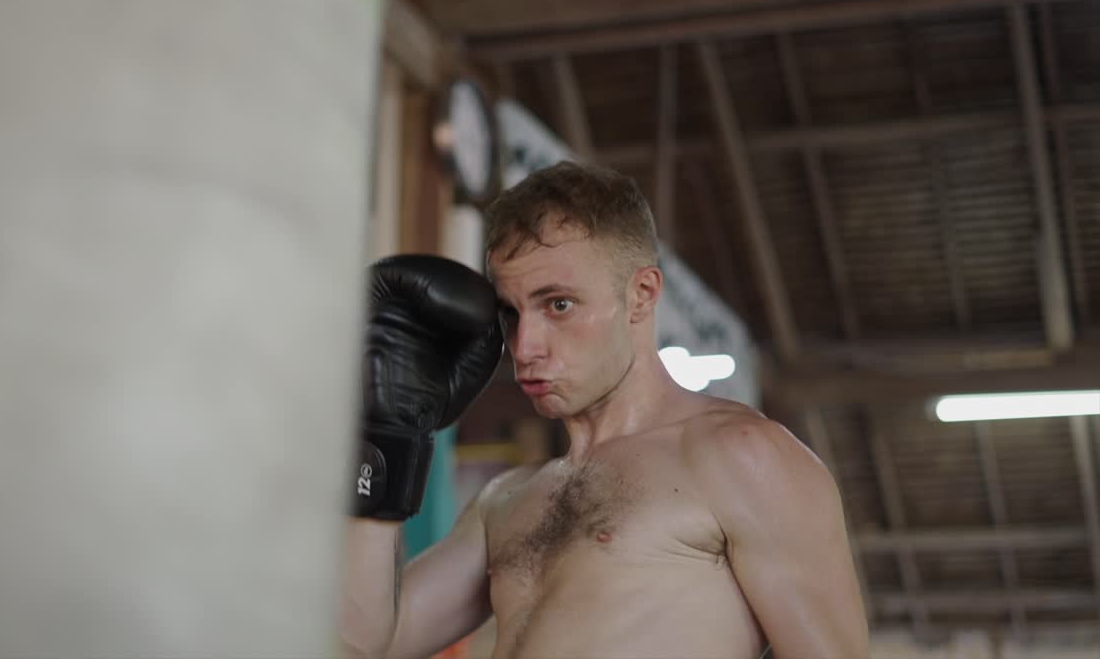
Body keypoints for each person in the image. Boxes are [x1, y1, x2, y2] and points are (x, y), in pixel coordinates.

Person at [342, 162, 868, 659]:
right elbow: (365, 646)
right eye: (510, 313)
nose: (524, 347)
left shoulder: (743, 456)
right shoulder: (505, 500)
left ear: (641, 294)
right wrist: (389, 437)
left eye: (558, 305)